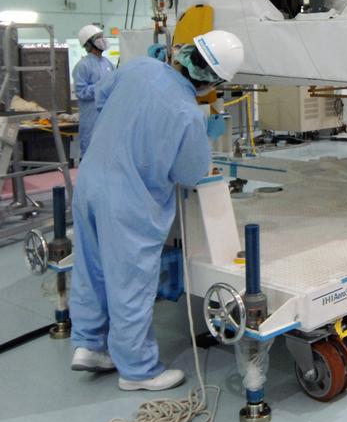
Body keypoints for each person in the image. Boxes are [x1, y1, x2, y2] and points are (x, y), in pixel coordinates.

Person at [68, 30, 243, 391]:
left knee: (90, 265)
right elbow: (191, 174)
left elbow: (101, 97)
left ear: (187, 53)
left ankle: (88, 344)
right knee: (129, 280)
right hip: (128, 199)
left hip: (89, 180)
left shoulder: (139, 68)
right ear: (213, 80)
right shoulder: (186, 114)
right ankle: (138, 371)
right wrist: (203, 138)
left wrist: (126, 126)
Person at [72, 24, 115, 159]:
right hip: (91, 118)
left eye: (102, 37)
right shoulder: (83, 66)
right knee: (91, 154)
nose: (102, 40)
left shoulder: (108, 63)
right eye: (98, 38)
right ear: (88, 44)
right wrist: (100, 87)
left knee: (108, 153)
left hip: (107, 117)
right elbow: (81, 92)